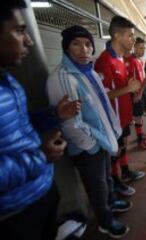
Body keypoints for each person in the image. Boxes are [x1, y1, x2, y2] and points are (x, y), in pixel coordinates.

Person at [0, 1, 80, 239]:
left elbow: (19, 128)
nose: (30, 41)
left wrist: (54, 115)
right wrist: (40, 155)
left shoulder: (8, 81)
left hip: (39, 191)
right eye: (19, 31)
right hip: (13, 213)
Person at [46, 25, 131, 239]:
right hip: (87, 146)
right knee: (97, 186)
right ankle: (104, 220)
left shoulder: (89, 71)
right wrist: (92, 145)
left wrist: (108, 134)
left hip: (101, 140)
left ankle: (111, 203)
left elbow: (101, 105)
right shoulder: (62, 77)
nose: (84, 49)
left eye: (87, 44)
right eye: (76, 44)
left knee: (106, 178)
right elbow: (70, 123)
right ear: (66, 49)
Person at [95, 16, 145, 193]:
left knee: (123, 145)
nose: (133, 40)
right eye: (130, 36)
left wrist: (130, 88)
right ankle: (115, 181)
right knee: (113, 152)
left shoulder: (121, 59)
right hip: (112, 119)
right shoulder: (104, 61)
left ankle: (124, 172)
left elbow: (121, 87)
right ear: (117, 35)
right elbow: (102, 95)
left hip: (123, 116)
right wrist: (128, 88)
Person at [125, 37, 146, 150]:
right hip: (136, 93)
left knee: (140, 115)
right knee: (137, 116)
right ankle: (140, 140)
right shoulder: (130, 60)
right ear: (134, 47)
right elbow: (130, 80)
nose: (143, 50)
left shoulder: (139, 60)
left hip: (141, 91)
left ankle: (140, 133)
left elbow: (142, 77)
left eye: (144, 48)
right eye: (141, 48)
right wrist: (137, 94)